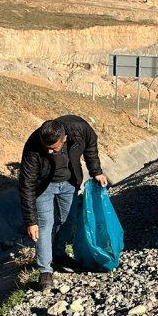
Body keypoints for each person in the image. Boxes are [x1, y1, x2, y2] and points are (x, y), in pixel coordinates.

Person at [19, 116, 107, 291]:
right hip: (43, 187)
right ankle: (45, 270)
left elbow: (91, 145)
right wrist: (31, 221)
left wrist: (96, 171)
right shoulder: (33, 146)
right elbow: (27, 183)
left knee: (70, 221)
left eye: (53, 148)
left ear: (64, 138)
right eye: (46, 148)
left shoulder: (80, 130)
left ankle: (58, 254)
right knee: (44, 226)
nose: (49, 151)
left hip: (69, 183)